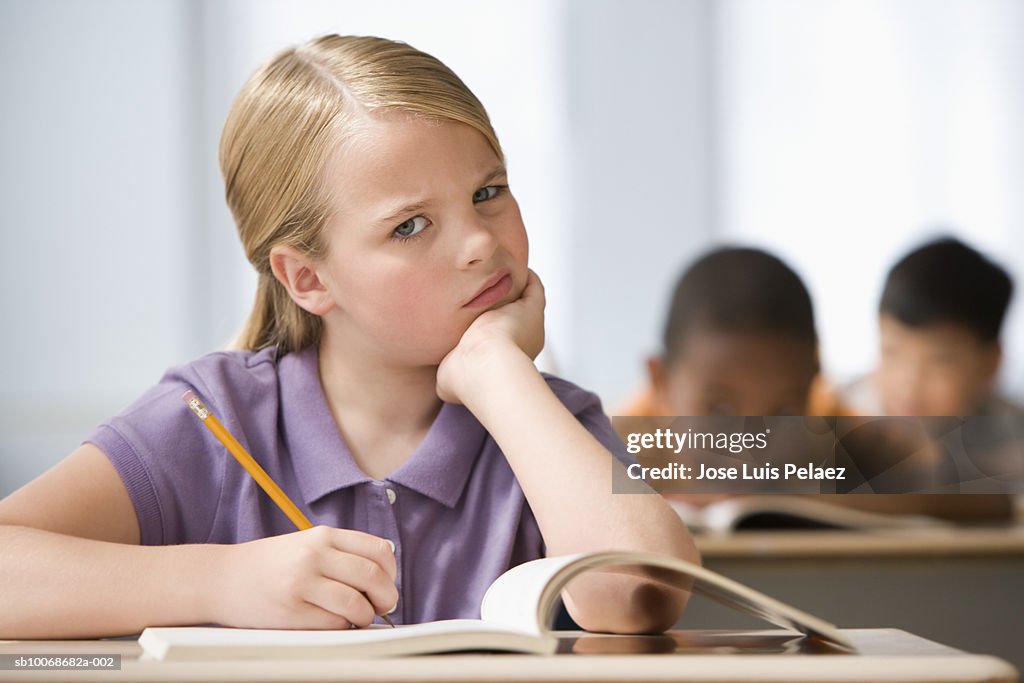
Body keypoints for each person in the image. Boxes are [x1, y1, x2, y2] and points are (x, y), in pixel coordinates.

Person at [0, 34, 696, 639]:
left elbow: (641, 591)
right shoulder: (210, 420)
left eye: (488, 192)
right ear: (306, 279)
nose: (481, 243)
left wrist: (497, 371)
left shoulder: (547, 423)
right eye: (411, 225)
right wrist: (217, 580)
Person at [619, 246, 842, 419]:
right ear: (660, 381)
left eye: (784, 415)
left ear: (815, 382)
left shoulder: (854, 456)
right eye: (719, 411)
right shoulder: (604, 463)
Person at [842, 236, 1022, 417]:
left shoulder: (1013, 436)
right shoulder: (841, 413)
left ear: (990, 363)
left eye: (939, 362)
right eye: (891, 352)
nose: (908, 387)